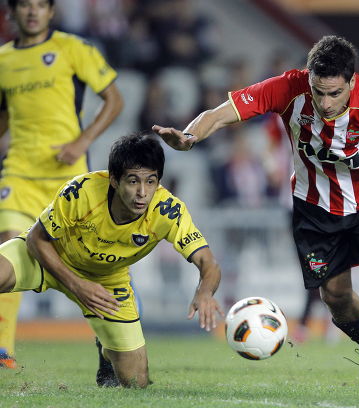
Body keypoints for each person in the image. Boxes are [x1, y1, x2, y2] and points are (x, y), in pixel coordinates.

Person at [153, 35, 359, 388]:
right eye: (318, 91)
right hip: (315, 210)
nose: (326, 103)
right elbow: (221, 114)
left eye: (335, 93)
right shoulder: (288, 88)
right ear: (308, 78)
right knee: (336, 298)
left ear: (352, 82)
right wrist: (190, 137)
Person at [0, 132, 223, 388]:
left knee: (136, 382)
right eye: (133, 181)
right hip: (47, 255)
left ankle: (106, 351)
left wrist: (205, 292)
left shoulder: (167, 211)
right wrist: (77, 285)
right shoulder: (81, 191)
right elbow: (36, 239)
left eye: (151, 181)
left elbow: (209, 263)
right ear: (114, 180)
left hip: (107, 281)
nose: (142, 193)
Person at [0, 0, 124, 369]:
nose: (33, 12)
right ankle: (3, 351)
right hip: (19, 173)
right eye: (25, 5)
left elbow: (114, 99)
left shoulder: (73, 49)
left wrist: (83, 142)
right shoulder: (3, 60)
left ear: (52, 12)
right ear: (12, 12)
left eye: (41, 5)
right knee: (7, 251)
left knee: (91, 265)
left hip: (65, 181)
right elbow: (4, 115)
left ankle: (110, 351)